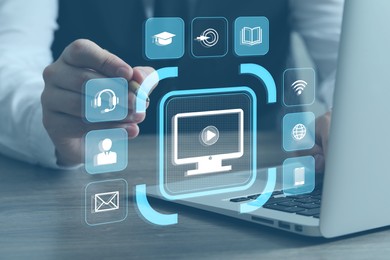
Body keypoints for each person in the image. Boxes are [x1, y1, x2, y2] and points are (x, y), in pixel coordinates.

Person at [0, 0, 343, 170]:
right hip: (103, 179)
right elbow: (9, 59)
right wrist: (48, 118)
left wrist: (347, 114)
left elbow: (347, 51)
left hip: (265, 167)